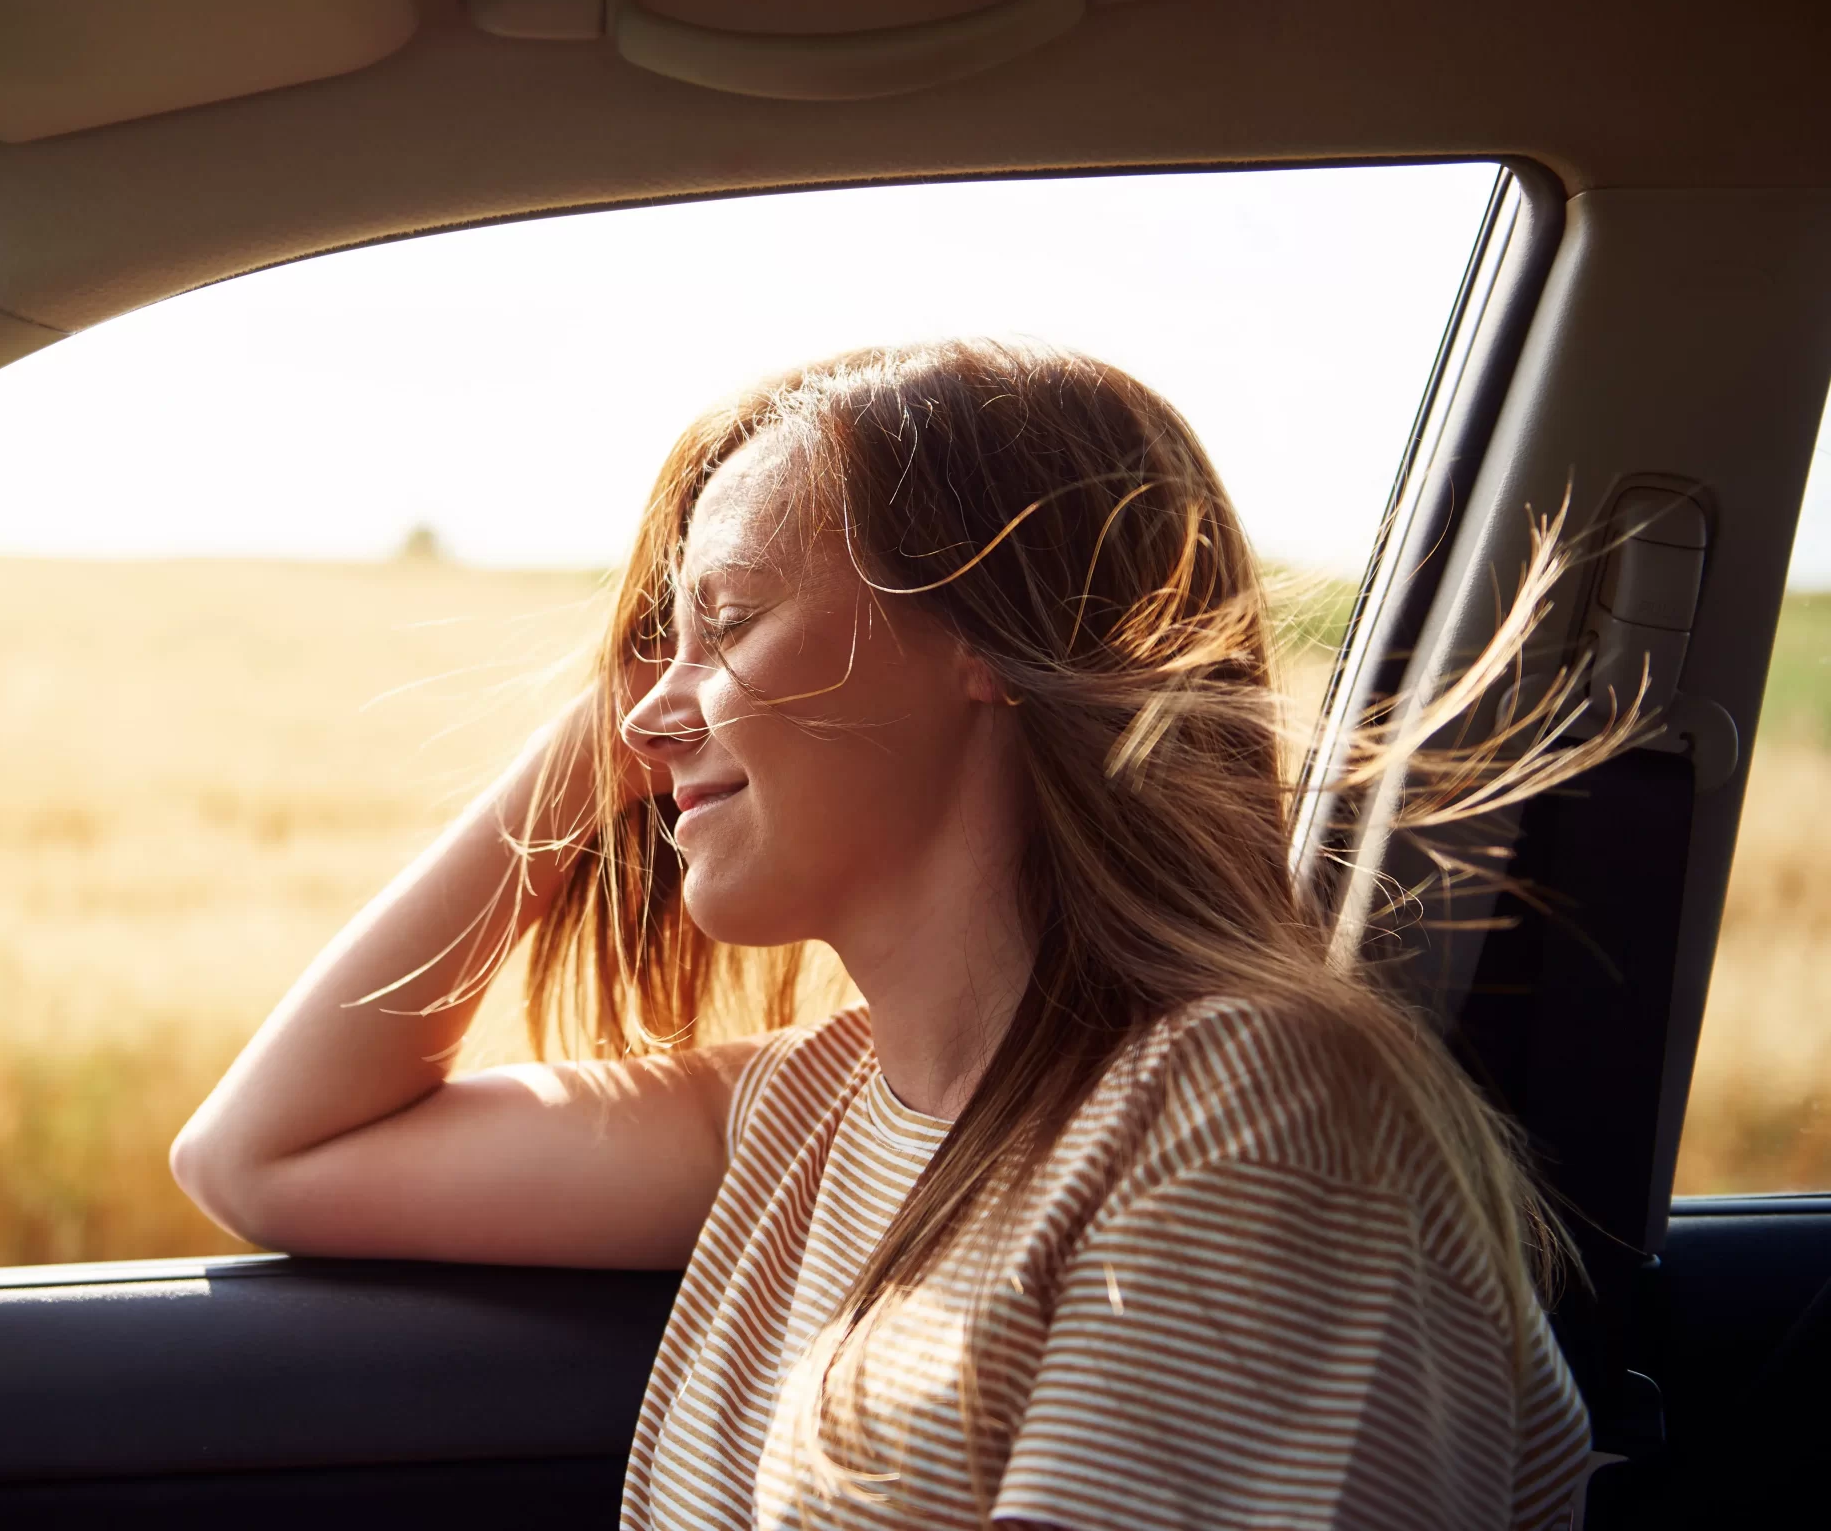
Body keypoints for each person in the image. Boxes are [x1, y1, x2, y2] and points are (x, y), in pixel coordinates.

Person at [173, 340, 1601, 1529]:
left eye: (728, 621)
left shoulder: (1252, 1115)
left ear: (986, 636)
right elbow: (262, 1155)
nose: (649, 718)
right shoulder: (804, 1113)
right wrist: (628, 727)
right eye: (655, 650)